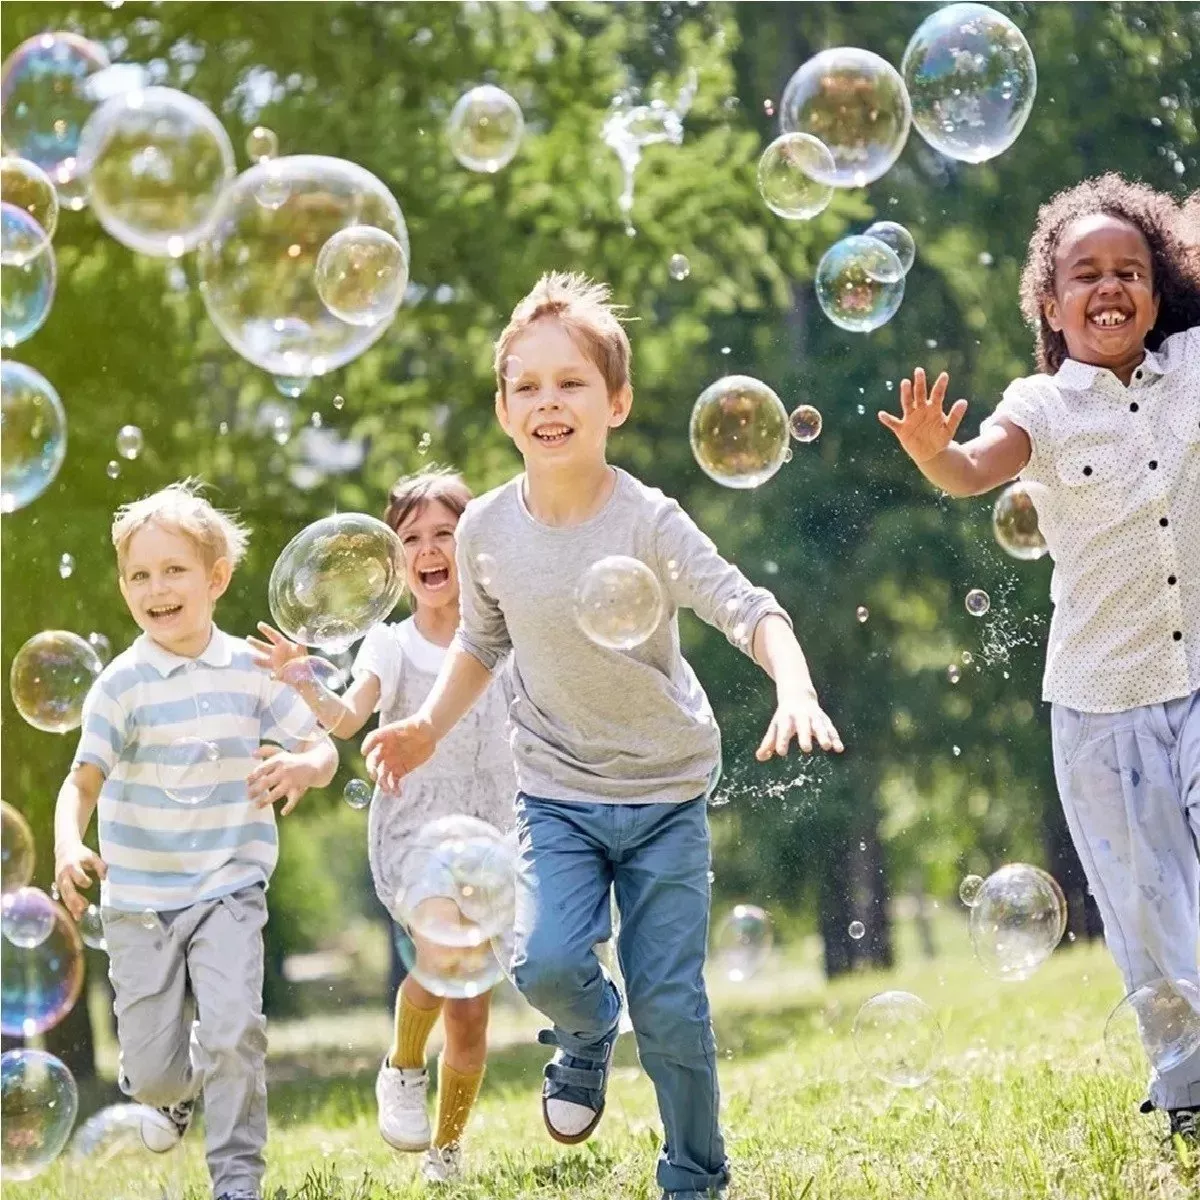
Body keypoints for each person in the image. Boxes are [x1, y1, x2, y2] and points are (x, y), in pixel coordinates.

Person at [361, 272, 843, 1200]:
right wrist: (424, 725)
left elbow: (746, 606)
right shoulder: (489, 528)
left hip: (664, 793)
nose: (550, 402)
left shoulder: (649, 519)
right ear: (504, 410)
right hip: (556, 792)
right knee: (541, 961)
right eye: (528, 386)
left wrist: (794, 682)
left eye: (571, 383)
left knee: (673, 1008)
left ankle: (694, 1177)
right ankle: (585, 1038)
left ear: (614, 400)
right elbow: (483, 642)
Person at [878, 174, 1200, 1145]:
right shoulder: (1043, 405)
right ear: (1050, 303)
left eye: (1131, 272)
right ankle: (1188, 1093)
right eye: (1086, 274)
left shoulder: (1194, 365)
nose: (1110, 288)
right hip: (1101, 704)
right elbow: (978, 466)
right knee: (1148, 920)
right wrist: (936, 454)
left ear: (1159, 287)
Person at [53, 481, 338, 1200]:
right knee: (151, 1071)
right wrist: (67, 845)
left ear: (215, 579)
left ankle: (236, 1178)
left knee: (235, 1026)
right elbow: (80, 783)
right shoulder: (121, 686)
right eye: (139, 575)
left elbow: (323, 744)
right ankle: (170, 1092)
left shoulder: (251, 669)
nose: (156, 588)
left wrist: (305, 762)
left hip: (229, 887)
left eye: (173, 570)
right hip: (140, 901)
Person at [248, 468, 515, 1186]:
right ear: (396, 562)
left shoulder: (508, 629)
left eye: (445, 536)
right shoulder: (390, 647)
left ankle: (447, 1149)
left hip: (499, 831)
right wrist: (305, 682)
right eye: (412, 539)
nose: (430, 551)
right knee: (441, 955)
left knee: (470, 1018)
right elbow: (345, 717)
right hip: (418, 828)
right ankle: (402, 1066)